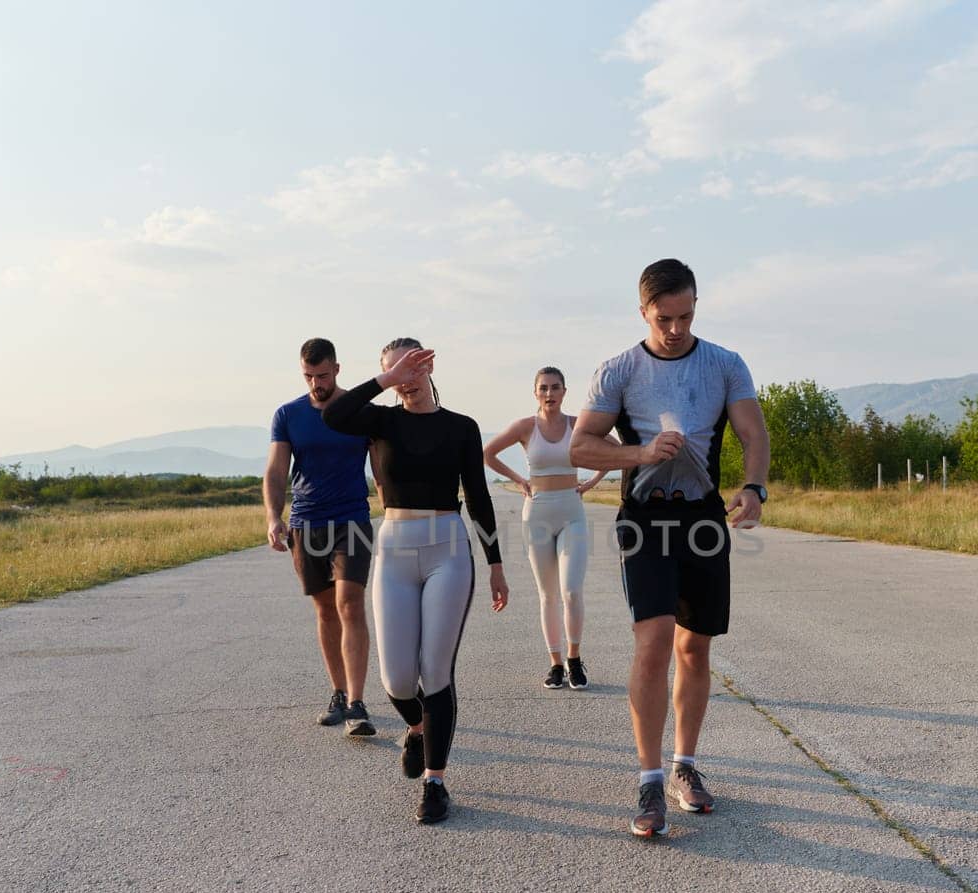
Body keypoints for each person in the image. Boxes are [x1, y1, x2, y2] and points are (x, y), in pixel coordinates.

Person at [570, 259, 771, 838]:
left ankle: (685, 764)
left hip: (704, 520)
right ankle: (649, 776)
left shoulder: (725, 364)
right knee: (654, 642)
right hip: (644, 518)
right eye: (664, 318)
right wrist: (641, 454)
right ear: (642, 312)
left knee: (694, 649)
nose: (676, 328)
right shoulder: (620, 370)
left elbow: (754, 434)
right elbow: (581, 447)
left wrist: (754, 487)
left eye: (686, 316)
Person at [323, 339, 509, 824]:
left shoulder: (462, 427)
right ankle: (418, 727)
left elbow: (481, 497)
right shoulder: (380, 420)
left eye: (411, 365)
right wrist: (384, 381)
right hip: (396, 549)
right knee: (397, 679)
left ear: (428, 363)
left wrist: (495, 563)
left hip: (448, 548)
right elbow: (334, 414)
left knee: (436, 668)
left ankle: (435, 782)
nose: (404, 376)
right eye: (393, 369)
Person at [265, 338, 377, 737]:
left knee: (350, 602)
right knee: (326, 608)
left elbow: (382, 470)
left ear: (338, 369)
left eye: (323, 375)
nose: (317, 383)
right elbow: (277, 473)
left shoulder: (362, 412)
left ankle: (358, 703)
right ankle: (338, 692)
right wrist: (273, 518)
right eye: (309, 376)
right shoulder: (288, 415)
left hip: (352, 520)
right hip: (306, 522)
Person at [484, 367, 610, 690]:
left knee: (571, 590)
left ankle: (574, 659)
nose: (550, 394)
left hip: (572, 512)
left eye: (555, 388)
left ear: (565, 391)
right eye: (544, 388)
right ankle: (555, 663)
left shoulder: (577, 425)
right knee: (548, 595)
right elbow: (487, 453)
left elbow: (615, 449)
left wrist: (592, 482)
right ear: (535, 392)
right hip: (537, 513)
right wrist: (519, 480)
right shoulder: (526, 427)